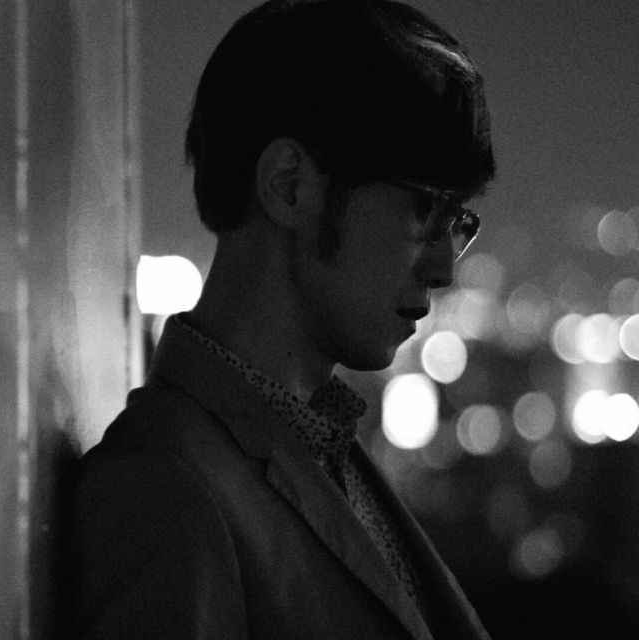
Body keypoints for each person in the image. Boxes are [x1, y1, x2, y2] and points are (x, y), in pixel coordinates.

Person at [71, 0, 496, 638]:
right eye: (425, 211)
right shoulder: (165, 491)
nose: (444, 269)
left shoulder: (319, 447)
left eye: (456, 223)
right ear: (290, 185)